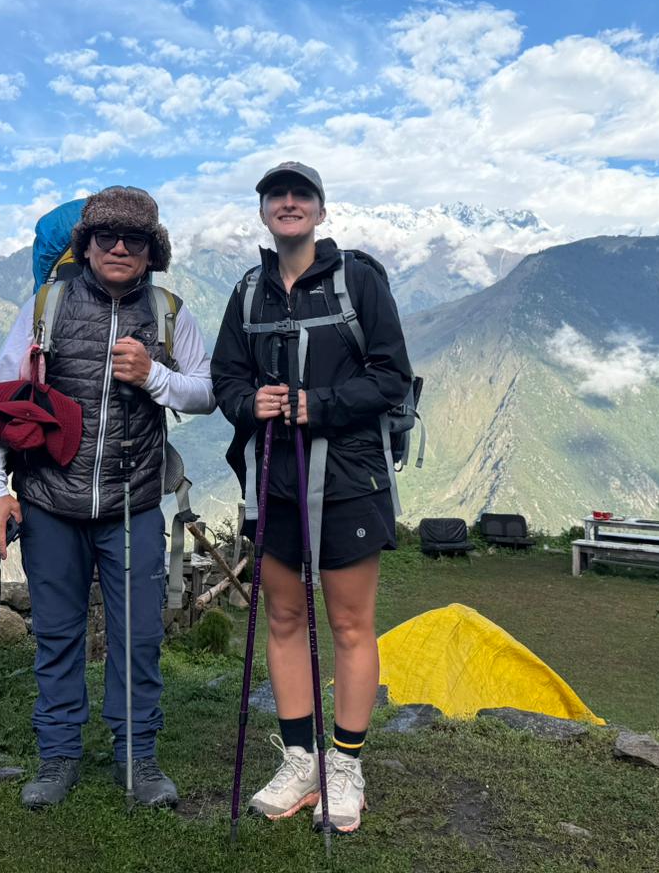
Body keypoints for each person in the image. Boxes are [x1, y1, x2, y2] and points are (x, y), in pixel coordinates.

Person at [0, 186, 215, 810]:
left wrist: (153, 376)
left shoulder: (167, 313)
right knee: (57, 633)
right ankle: (57, 757)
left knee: (138, 636)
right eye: (105, 236)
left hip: (131, 504)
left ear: (150, 250)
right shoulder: (46, 306)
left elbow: (207, 390)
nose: (118, 248)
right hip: (52, 501)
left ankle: (139, 758)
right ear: (85, 245)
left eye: (133, 239)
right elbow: (0, 401)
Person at [211, 161, 414, 834]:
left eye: (302, 195)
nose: (289, 203)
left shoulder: (358, 281)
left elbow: (392, 378)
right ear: (265, 211)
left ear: (321, 211)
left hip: (350, 481)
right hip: (273, 480)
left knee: (352, 625)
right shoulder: (249, 293)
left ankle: (346, 764)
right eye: (277, 196)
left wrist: (313, 406)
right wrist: (253, 402)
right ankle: (301, 760)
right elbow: (226, 379)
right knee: (285, 619)